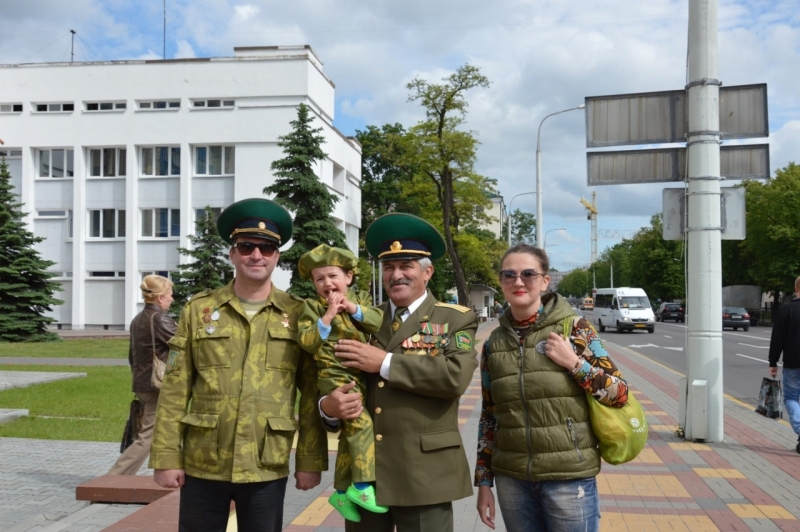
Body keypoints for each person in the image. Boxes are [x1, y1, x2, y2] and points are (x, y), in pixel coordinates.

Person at [149, 198, 328, 532]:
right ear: (232, 253)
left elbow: (311, 393)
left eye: (266, 248)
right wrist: (165, 457)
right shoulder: (198, 310)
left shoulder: (299, 314)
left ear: (277, 256)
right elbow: (175, 389)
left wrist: (309, 460)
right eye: (246, 246)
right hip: (204, 461)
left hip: (266, 462)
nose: (256, 255)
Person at [320, 213, 479, 532]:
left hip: (424, 474)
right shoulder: (362, 319)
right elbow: (329, 368)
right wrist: (328, 408)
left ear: (427, 272)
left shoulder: (455, 319)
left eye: (406, 266)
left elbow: (455, 377)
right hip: (367, 476)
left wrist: (383, 362)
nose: (396, 275)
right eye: (389, 267)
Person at [474, 244, 629, 532]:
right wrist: (484, 481)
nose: (518, 282)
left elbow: (619, 393)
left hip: (568, 479)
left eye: (528, 274)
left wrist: (574, 363)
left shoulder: (575, 328)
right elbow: (489, 415)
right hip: (512, 480)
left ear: (545, 281)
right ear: (501, 282)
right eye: (509, 275)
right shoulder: (494, 343)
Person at [296, 244, 386, 521]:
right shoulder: (312, 307)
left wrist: (353, 308)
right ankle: (361, 487)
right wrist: (328, 316)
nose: (327, 284)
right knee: (362, 424)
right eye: (319, 279)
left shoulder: (358, 301)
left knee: (350, 436)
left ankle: (341, 490)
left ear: (348, 277)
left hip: (357, 376)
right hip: (334, 376)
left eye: (333, 276)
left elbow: (377, 322)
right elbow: (307, 343)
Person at [108, 274, 176, 476]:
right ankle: (114, 479)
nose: (172, 299)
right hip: (157, 385)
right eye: (170, 295)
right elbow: (184, 345)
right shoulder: (160, 319)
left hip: (143, 383)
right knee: (148, 436)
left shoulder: (137, 319)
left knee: (157, 432)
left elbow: (132, 355)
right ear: (160, 297)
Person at [769, 275, 800, 453]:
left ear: (796, 288)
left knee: (791, 398)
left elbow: (777, 339)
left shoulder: (786, 310)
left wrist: (773, 362)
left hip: (793, 363)